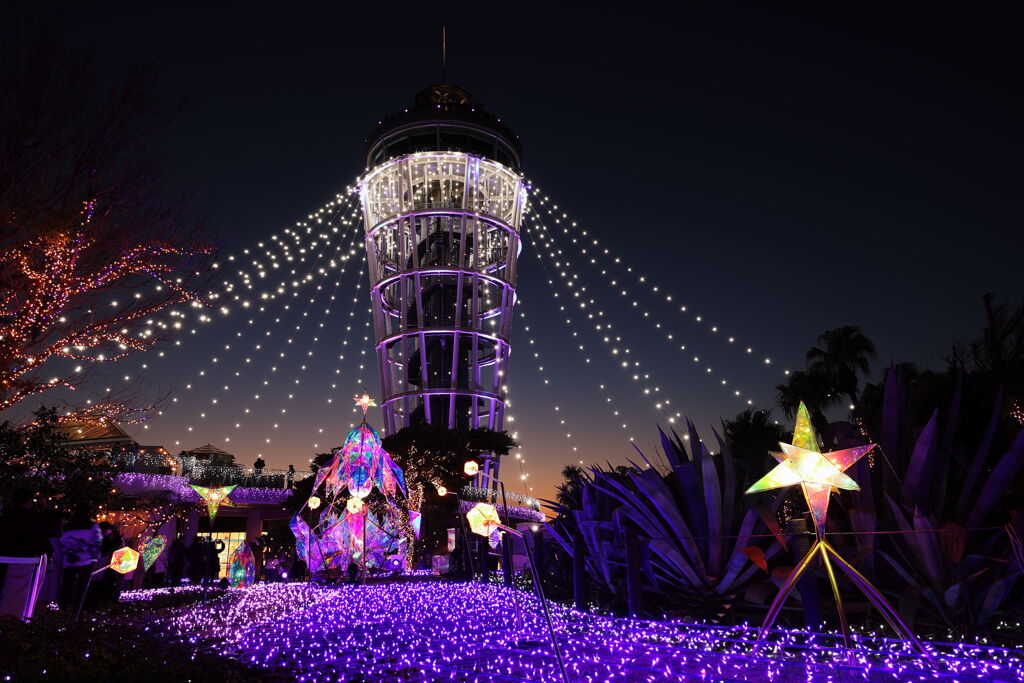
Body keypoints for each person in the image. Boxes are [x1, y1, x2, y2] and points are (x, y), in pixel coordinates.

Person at [57, 503, 101, 610]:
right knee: (82, 587)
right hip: (85, 561)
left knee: (67, 585)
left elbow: (62, 542)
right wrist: (95, 558)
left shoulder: (68, 526)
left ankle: (63, 608)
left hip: (70, 561)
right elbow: (97, 543)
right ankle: (79, 609)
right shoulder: (92, 526)